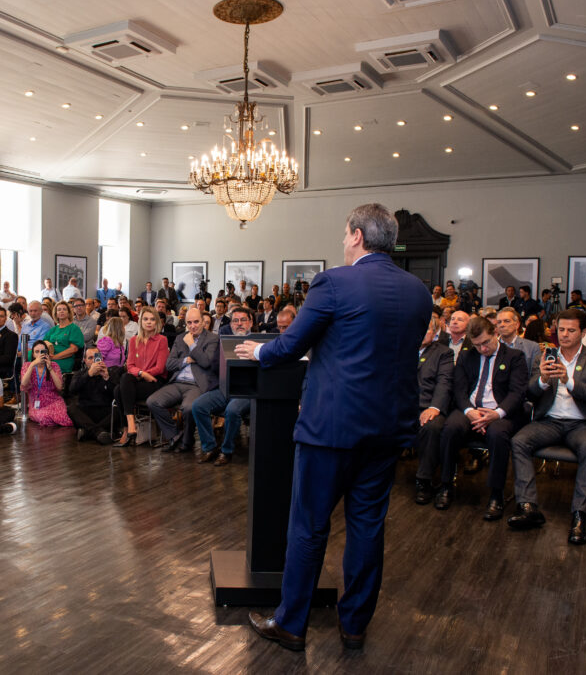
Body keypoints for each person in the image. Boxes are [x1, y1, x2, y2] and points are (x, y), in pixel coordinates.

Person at [235, 203, 431, 652]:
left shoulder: (335, 282)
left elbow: (290, 345)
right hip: (388, 429)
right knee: (367, 528)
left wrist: (258, 351)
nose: (343, 242)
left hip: (332, 428)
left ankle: (291, 624)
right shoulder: (418, 291)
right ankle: (355, 625)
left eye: (345, 234)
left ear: (358, 235)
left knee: (308, 527)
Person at [507, 309, 586, 544]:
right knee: (519, 441)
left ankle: (580, 514)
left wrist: (568, 380)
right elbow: (529, 393)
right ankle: (528, 506)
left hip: (582, 424)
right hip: (549, 421)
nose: (564, 334)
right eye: (561, 329)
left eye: (571, 330)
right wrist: (542, 380)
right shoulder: (546, 356)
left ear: (583, 332)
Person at [435, 316, 529, 518]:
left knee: (497, 434)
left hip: (500, 411)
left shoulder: (514, 357)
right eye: (477, 345)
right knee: (450, 428)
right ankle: (446, 485)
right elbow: (459, 390)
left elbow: (517, 393)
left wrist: (497, 413)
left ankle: (496, 494)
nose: (483, 349)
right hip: (471, 409)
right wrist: (470, 412)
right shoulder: (466, 356)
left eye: (486, 342)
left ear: (495, 333)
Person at [148, 306, 219, 453]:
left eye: (196, 322)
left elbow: (206, 362)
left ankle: (187, 441)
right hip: (178, 382)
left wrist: (192, 345)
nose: (193, 326)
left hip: (197, 384)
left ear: (202, 321)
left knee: (188, 408)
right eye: (189, 323)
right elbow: (169, 364)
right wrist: (187, 359)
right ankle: (175, 435)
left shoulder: (212, 339)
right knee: (152, 402)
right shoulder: (180, 338)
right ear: (185, 323)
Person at [191, 307, 252, 466]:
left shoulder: (257, 343)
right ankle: (209, 447)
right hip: (224, 387)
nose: (239, 324)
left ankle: (226, 451)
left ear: (251, 322)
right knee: (198, 406)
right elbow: (214, 366)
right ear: (231, 324)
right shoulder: (224, 341)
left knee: (232, 410)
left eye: (243, 320)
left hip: (246, 391)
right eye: (235, 321)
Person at [413, 315, 455, 505]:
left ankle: (423, 480)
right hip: (403, 406)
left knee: (432, 426)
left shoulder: (444, 353)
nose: (422, 332)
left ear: (435, 333)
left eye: (427, 329)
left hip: (428, 405)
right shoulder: (403, 349)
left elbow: (444, 383)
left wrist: (434, 407)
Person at [113, 307, 169, 446]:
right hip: (138, 379)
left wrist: (143, 374)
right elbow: (130, 365)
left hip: (155, 381)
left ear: (156, 322)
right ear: (140, 321)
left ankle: (127, 429)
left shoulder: (162, 340)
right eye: (145, 319)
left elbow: (160, 368)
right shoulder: (133, 340)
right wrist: (141, 373)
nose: (149, 322)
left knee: (119, 390)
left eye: (152, 319)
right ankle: (131, 426)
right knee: (122, 384)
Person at [67, 346, 119, 445]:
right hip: (86, 412)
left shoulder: (110, 373)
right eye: (90, 358)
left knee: (119, 409)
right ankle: (99, 432)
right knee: (71, 408)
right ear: (85, 361)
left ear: (101, 358)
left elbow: (117, 395)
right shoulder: (80, 374)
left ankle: (88, 432)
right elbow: (72, 390)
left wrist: (107, 378)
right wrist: (89, 374)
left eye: (96, 357)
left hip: (105, 411)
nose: (93, 360)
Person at [20, 340, 71, 427]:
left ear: (47, 354)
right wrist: (32, 365)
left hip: (53, 401)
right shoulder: (27, 365)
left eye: (42, 352)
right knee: (42, 416)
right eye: (37, 352)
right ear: (33, 354)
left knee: (62, 417)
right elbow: (23, 385)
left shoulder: (54, 365)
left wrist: (50, 368)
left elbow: (60, 387)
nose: (40, 355)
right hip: (36, 404)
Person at [42, 301, 84, 374]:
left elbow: (73, 349)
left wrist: (54, 357)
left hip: (64, 360)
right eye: (59, 310)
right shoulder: (53, 329)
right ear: (56, 314)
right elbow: (44, 343)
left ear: (68, 313)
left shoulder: (74, 328)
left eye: (64, 309)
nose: (61, 311)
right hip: (50, 357)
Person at [497, 307, 540, 375]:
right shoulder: (491, 347)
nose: (502, 325)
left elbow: (535, 376)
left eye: (507, 321)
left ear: (517, 325)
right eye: (499, 322)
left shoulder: (532, 347)